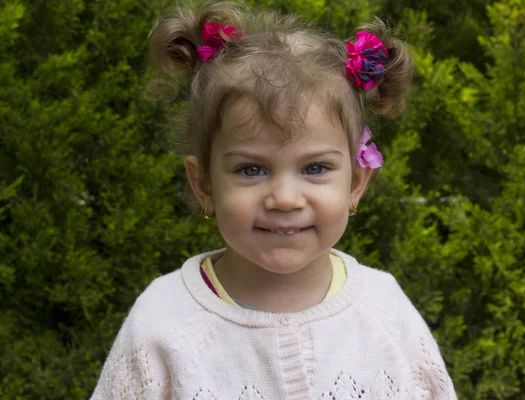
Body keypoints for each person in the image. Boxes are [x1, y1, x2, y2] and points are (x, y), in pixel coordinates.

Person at [91, 1, 457, 399]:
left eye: (315, 168)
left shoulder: (387, 313)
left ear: (356, 182)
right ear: (204, 184)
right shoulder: (162, 324)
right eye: (251, 170)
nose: (284, 199)